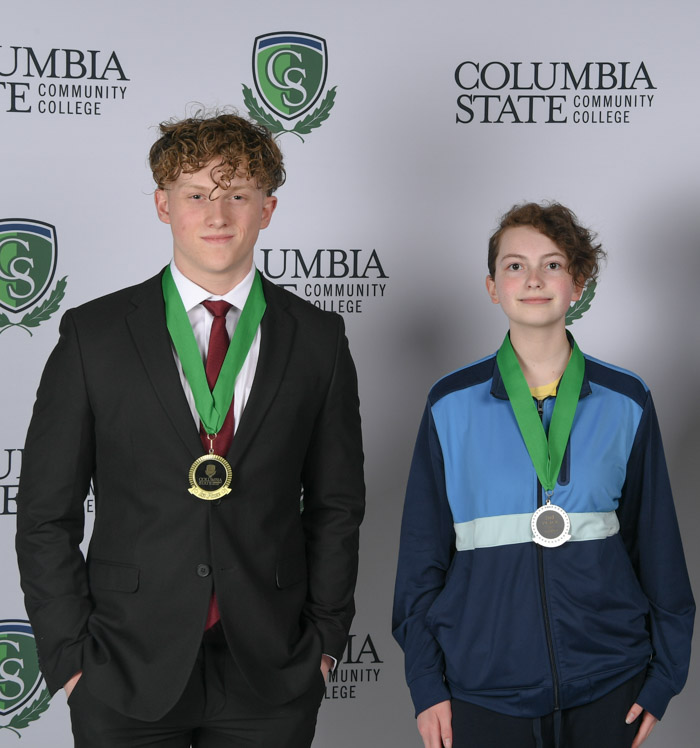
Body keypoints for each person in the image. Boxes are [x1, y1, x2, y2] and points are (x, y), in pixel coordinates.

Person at [15, 111, 365, 747]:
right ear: (162, 205)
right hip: (122, 664)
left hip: (272, 668)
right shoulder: (93, 335)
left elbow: (337, 507)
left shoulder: (318, 338)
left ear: (268, 208)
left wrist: (324, 642)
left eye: (238, 194)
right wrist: (69, 658)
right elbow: (45, 513)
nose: (217, 215)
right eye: (196, 194)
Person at [392, 202, 694, 748]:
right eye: (514, 266)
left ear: (578, 283)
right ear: (492, 287)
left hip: (609, 683)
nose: (533, 279)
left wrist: (664, 677)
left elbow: (658, 547)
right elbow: (420, 559)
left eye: (552, 265)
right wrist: (426, 684)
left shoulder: (626, 399)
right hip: (481, 690)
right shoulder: (449, 404)